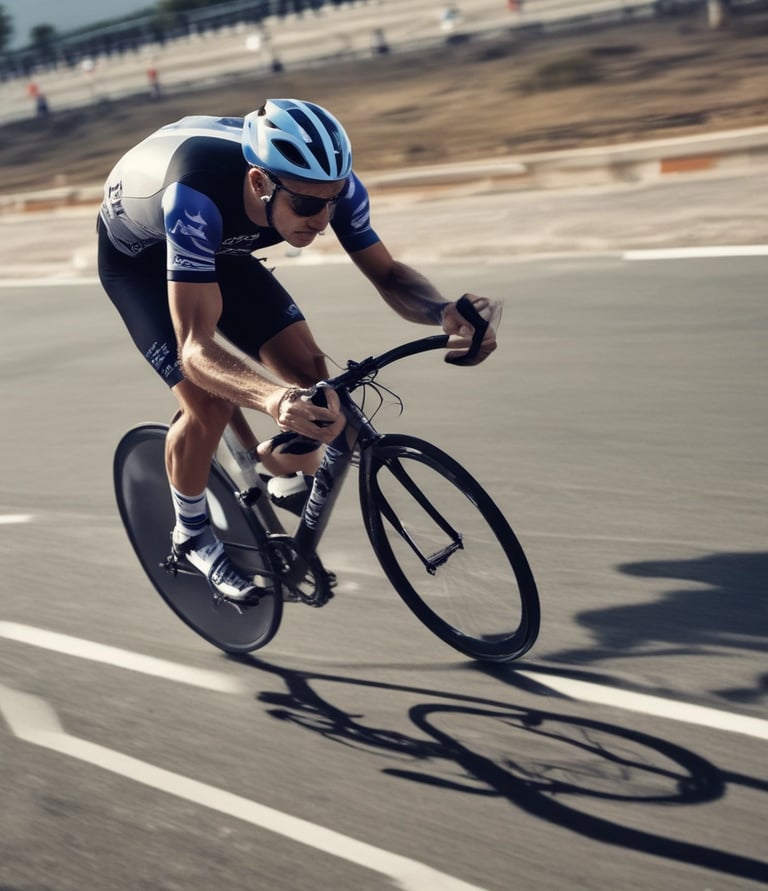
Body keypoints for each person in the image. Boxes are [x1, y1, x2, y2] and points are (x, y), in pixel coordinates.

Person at [97, 98, 499, 604]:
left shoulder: (326, 187)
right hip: (142, 261)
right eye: (308, 206)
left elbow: (388, 275)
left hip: (224, 244)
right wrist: (273, 401)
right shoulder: (194, 196)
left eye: (332, 202)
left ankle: (277, 470)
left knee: (314, 377)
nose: (324, 219)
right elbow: (196, 349)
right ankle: (192, 534)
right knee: (211, 402)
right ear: (260, 183)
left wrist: (443, 310)